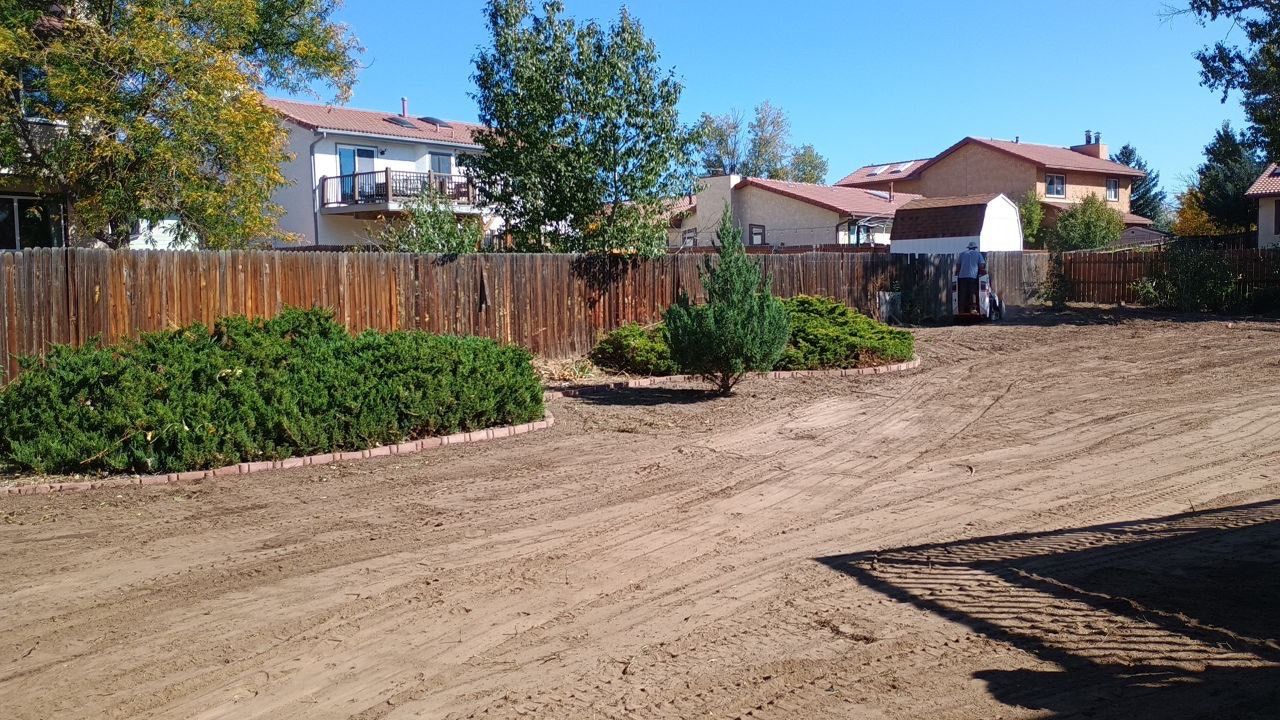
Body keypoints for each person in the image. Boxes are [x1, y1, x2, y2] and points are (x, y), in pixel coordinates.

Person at [955, 241, 986, 315]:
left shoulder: (962, 254)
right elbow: (982, 265)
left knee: (962, 293)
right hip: (972, 276)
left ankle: (961, 310)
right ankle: (972, 309)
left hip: (962, 277)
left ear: (968, 247)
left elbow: (958, 266)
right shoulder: (978, 254)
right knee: (972, 293)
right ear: (975, 248)